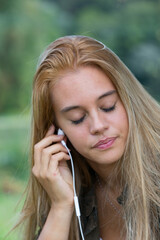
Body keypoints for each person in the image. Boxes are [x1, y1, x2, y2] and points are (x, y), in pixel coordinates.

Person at [16, 35, 160, 240]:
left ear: (129, 100)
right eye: (77, 118)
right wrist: (61, 207)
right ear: (57, 130)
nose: (98, 126)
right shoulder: (67, 184)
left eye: (108, 106)